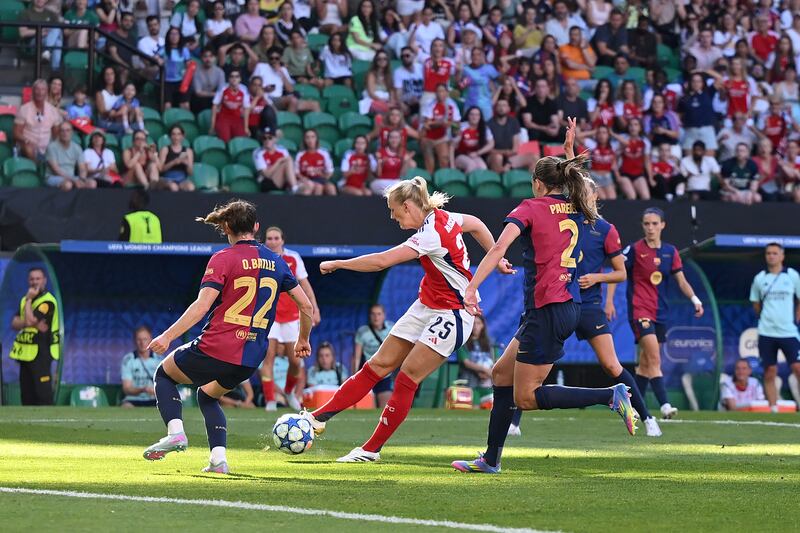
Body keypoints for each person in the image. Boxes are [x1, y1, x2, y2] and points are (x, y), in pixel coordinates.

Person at [451, 134, 635, 476]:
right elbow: (576, 182)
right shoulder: (578, 207)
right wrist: (568, 153)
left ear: (537, 183)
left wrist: (472, 287)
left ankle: (609, 395)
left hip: (549, 307)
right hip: (559, 306)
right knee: (500, 374)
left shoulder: (530, 207)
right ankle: (491, 459)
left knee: (526, 398)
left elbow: (497, 249)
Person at [301, 177, 511, 462]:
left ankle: (370, 450)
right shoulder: (443, 218)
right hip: (426, 304)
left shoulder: (431, 233)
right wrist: (496, 257)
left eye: (393, 209)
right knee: (377, 365)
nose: (391, 215)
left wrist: (339, 264)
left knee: (407, 376)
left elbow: (381, 262)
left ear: (409, 206)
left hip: (453, 312)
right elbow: (476, 223)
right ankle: (318, 418)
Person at [143, 200, 313, 474]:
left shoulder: (223, 258)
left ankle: (176, 433)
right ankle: (218, 460)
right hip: (251, 357)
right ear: (256, 228)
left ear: (225, 227)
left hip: (218, 345)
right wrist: (303, 340)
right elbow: (306, 306)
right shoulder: (279, 262)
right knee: (208, 396)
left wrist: (167, 336)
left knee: (164, 374)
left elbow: (201, 306)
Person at [607, 207, 704, 420]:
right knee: (654, 358)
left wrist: (695, 300)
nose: (650, 228)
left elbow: (681, 280)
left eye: (654, 223)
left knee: (645, 364)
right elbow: (617, 272)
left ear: (662, 225)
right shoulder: (634, 249)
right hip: (640, 311)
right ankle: (665, 405)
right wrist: (609, 301)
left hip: (661, 312)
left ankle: (631, 406)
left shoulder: (671, 251)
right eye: (646, 224)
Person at [260, 226, 322, 411]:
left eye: (276, 238)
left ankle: (288, 392)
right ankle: (270, 400)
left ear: (282, 240)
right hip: (269, 316)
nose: (272, 241)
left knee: (295, 361)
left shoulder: (293, 258)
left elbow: (305, 286)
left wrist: (315, 309)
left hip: (292, 316)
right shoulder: (260, 257)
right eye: (269, 238)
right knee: (268, 357)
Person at [749, 242, 800, 412]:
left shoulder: (792, 275)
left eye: (775, 253)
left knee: (797, 368)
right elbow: (755, 303)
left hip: (789, 331)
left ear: (782, 256)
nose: (771, 256)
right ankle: (773, 409)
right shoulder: (760, 278)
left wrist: (797, 317)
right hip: (766, 332)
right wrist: (766, 317)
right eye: (768, 253)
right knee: (770, 371)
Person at [9, 267, 60, 406]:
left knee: (42, 393)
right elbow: (14, 323)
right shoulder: (25, 300)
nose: (34, 282)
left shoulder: (47, 301)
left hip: (42, 352)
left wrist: (29, 304)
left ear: (44, 280)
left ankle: (48, 423)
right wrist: (28, 322)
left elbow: (30, 320)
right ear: (28, 280)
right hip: (26, 352)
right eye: (32, 279)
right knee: (27, 394)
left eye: (38, 278)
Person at [353, 304, 395, 408]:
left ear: (384, 315)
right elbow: (357, 356)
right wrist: (354, 376)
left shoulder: (391, 328)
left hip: (385, 374)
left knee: (384, 408)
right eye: (373, 314)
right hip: (368, 373)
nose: (376, 317)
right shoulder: (363, 331)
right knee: (368, 407)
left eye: (379, 314)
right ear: (369, 316)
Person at [14, 79, 63, 161]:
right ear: (33, 91)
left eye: (43, 89)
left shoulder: (52, 110)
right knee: (28, 148)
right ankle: (38, 170)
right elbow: (16, 133)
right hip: (27, 147)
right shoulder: (24, 109)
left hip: (46, 147)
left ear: (47, 92)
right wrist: (26, 140)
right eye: (37, 89)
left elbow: (56, 134)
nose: (40, 92)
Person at [456, 315, 496, 407]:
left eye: (478, 323)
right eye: (473, 323)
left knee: (492, 407)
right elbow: (466, 362)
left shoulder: (489, 343)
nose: (475, 326)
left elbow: (496, 361)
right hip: (470, 382)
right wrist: (483, 370)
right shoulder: (463, 341)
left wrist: (488, 373)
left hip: (488, 382)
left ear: (483, 326)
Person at [486, 99, 536, 173]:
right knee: (498, 157)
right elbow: (489, 149)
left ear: (508, 108)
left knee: (534, 157)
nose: (501, 108)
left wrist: (509, 161)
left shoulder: (514, 121)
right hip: (494, 155)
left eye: (504, 105)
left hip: (511, 156)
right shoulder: (489, 124)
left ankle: (528, 182)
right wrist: (504, 152)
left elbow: (515, 147)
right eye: (499, 105)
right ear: (495, 108)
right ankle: (501, 179)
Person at [120, 326, 163, 408]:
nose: (142, 343)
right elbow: (127, 389)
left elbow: (165, 386)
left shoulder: (160, 359)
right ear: (134, 341)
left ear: (151, 340)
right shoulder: (128, 360)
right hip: (133, 399)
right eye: (139, 339)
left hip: (155, 399)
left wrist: (155, 391)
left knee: (164, 407)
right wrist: (143, 389)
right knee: (126, 406)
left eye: (145, 339)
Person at [46, 122, 93, 191]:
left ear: (72, 132)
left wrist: (82, 179)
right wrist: (73, 180)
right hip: (54, 177)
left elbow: (82, 168)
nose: (65, 133)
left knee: (92, 184)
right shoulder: (51, 147)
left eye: (68, 130)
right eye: (62, 130)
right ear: (59, 133)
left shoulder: (77, 147)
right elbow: (56, 170)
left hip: (72, 177)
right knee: (68, 184)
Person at [19, 0, 63, 70]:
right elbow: (23, 33)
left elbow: (58, 31)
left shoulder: (51, 14)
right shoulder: (26, 12)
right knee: (57, 41)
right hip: (34, 42)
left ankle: (48, 55)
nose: (40, 0)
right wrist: (40, 31)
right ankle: (55, 70)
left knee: (58, 41)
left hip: (48, 39)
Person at [253, 127, 298, 193]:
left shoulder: (282, 150)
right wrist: (278, 161)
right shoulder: (258, 152)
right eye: (264, 138)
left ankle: (294, 187)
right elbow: (267, 174)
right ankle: (294, 188)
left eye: (270, 138)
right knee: (287, 162)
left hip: (283, 180)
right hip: (267, 182)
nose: (267, 140)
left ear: (275, 139)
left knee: (308, 187)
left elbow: (291, 167)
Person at [210, 70, 251, 142]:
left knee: (240, 141)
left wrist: (246, 127)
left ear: (240, 79)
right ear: (228, 79)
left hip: (237, 119)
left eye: (237, 76)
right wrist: (212, 126)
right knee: (225, 139)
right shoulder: (223, 88)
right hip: (224, 118)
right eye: (232, 76)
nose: (234, 79)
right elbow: (214, 106)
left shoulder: (244, 89)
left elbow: (246, 109)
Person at [452, 106, 494, 174]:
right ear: (468, 115)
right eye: (472, 114)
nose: (474, 117)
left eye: (477, 115)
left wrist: (478, 153)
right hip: (459, 155)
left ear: (480, 117)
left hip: (474, 155)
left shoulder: (484, 128)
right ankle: (464, 183)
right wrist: (452, 165)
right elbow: (452, 147)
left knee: (483, 168)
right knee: (471, 165)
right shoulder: (461, 127)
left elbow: (491, 144)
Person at [295, 129, 336, 195]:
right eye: (307, 137)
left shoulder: (324, 153)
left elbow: (330, 171)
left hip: (321, 178)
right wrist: (303, 178)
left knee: (331, 188)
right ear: (304, 140)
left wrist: (323, 176)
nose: (310, 140)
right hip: (306, 180)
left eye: (313, 137)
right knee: (318, 187)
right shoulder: (300, 154)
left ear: (316, 139)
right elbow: (296, 172)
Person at [158, 125, 195, 192]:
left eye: (178, 134)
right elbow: (161, 169)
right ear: (170, 136)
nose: (176, 137)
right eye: (173, 134)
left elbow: (190, 173)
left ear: (182, 136)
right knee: (173, 187)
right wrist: (174, 162)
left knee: (190, 187)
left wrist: (187, 164)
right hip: (167, 178)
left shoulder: (188, 151)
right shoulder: (165, 149)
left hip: (182, 179)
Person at [192, 48, 226, 114]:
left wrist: (217, 96)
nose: (208, 59)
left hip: (213, 98)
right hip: (199, 100)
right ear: (201, 58)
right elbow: (198, 92)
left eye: (211, 56)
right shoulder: (196, 71)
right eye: (205, 56)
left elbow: (221, 90)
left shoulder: (219, 72)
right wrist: (216, 94)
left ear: (215, 58)